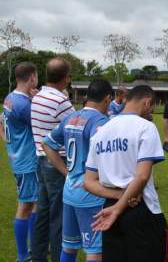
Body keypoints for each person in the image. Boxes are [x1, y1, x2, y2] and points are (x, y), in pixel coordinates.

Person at [84, 85, 168, 262]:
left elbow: (89, 181)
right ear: (147, 102)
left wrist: (116, 201)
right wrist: (119, 207)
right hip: (139, 205)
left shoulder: (102, 131)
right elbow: (142, 176)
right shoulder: (146, 127)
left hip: (109, 205)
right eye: (152, 107)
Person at [41, 79, 113, 262]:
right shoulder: (101, 122)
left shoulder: (71, 117)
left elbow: (47, 144)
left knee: (69, 247)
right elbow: (107, 158)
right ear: (107, 99)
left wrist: (67, 173)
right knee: (95, 250)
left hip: (70, 192)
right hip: (91, 195)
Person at [31, 58, 75, 262]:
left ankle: (38, 256)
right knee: (59, 217)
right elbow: (77, 125)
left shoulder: (38, 96)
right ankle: (58, 257)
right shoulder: (61, 102)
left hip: (41, 159)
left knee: (43, 214)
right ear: (66, 78)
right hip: (57, 162)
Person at [1, 62, 39, 262]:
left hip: (18, 157)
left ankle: (36, 247)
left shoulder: (10, 97)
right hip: (27, 161)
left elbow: (1, 122)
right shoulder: (25, 105)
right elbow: (41, 126)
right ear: (32, 77)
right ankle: (23, 256)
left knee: (34, 203)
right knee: (25, 205)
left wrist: (8, 143)